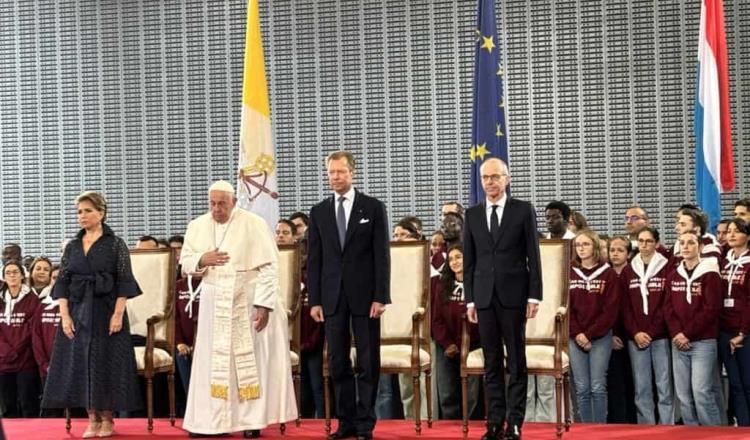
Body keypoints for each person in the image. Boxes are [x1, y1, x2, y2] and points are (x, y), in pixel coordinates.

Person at [180, 180, 297, 438]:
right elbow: (185, 262)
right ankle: (212, 422)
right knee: (213, 362)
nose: (217, 209)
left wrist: (264, 305)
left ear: (234, 201)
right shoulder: (196, 226)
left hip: (247, 298)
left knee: (248, 361)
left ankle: (251, 421)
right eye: (212, 203)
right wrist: (202, 259)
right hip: (213, 300)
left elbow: (269, 267)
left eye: (222, 203)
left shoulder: (254, 223)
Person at [41, 191, 142, 438]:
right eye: (79, 212)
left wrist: (118, 314)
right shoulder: (72, 246)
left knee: (105, 363)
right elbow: (62, 283)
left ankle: (107, 418)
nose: (82, 216)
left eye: (87, 210)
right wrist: (65, 316)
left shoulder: (115, 244)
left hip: (106, 310)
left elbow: (124, 282)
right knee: (81, 363)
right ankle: (91, 418)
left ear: (101, 212)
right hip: (77, 312)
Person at [307, 151, 390, 440]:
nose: (335, 177)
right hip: (331, 298)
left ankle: (366, 423)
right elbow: (314, 260)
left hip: (366, 298)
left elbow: (382, 257)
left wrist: (381, 296)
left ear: (352, 173)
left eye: (340, 172)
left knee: (368, 362)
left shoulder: (373, 207)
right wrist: (314, 300)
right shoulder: (318, 212)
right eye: (331, 172)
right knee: (338, 363)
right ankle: (347, 422)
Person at [464, 158, 542, 440]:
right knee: (492, 361)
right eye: (485, 178)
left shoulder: (522, 210)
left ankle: (515, 422)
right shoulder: (472, 214)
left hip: (514, 296)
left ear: (507, 179)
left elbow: (533, 255)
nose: (489, 182)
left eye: (495, 177)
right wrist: (470, 300)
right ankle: (494, 422)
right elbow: (470, 262)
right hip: (483, 298)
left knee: (516, 361)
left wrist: (534, 295)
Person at [664, 230, 723, 426]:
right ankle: (691, 433)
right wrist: (677, 333)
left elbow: (711, 308)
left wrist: (687, 333)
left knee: (701, 392)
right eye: (682, 243)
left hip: (703, 341)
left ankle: (713, 433)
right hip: (678, 342)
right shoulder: (673, 275)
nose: (686, 246)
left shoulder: (710, 274)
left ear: (700, 247)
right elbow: (668, 307)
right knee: (683, 394)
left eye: (690, 243)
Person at [620, 228, 673, 425]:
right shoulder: (628, 270)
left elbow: (667, 304)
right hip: (636, 337)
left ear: (657, 243)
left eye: (649, 241)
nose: (644, 245)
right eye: (641, 241)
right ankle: (647, 426)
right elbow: (625, 307)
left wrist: (650, 332)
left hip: (660, 335)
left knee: (664, 385)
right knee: (641, 387)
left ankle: (667, 426)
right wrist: (635, 332)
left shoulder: (667, 267)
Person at [568, 229, 620, 423]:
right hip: (575, 337)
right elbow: (566, 307)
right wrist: (578, 333)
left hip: (600, 337)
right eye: (578, 245)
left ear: (596, 247)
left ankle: (599, 429)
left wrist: (589, 334)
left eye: (586, 244)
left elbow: (610, 310)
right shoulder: (571, 273)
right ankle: (585, 429)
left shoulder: (608, 274)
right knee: (581, 388)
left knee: (597, 386)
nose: (581, 249)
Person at [431, 244, 480, 419]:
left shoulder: (478, 283)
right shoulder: (442, 286)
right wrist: (447, 344)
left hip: (474, 345)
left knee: (473, 395)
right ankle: (449, 429)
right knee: (447, 394)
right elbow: (436, 320)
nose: (454, 262)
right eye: (450, 259)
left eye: (458, 257)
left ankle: (473, 426)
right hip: (447, 345)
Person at [718, 219, 750, 425]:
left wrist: (743, 332)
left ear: (747, 236)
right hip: (724, 330)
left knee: (748, 382)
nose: (731, 235)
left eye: (737, 231)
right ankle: (743, 424)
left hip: (744, 331)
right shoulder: (725, 261)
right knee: (735, 383)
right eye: (729, 231)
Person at [0, 260, 41, 417]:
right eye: (8, 273)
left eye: (15, 272)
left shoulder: (33, 299)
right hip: (3, 362)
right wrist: (5, 350)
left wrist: (15, 349)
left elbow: (32, 328)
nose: (12, 275)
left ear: (23, 275)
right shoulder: (0, 299)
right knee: (8, 406)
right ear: (3, 277)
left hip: (26, 361)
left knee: (28, 404)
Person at [605, 236, 637, 424]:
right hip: (609, 337)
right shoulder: (605, 274)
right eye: (612, 250)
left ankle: (633, 422)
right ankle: (616, 421)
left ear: (629, 254)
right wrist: (611, 335)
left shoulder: (634, 274)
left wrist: (627, 334)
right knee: (614, 384)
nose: (615, 254)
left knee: (634, 384)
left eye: (620, 250)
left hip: (632, 336)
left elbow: (633, 308)